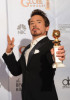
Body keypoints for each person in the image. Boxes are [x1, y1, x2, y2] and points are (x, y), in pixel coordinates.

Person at [2, 9, 65, 100]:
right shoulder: (27, 49)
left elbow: (52, 57)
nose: (34, 25)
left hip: (45, 96)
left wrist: (56, 58)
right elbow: (16, 71)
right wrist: (9, 52)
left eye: (38, 22)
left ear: (47, 27)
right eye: (31, 23)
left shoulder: (51, 44)